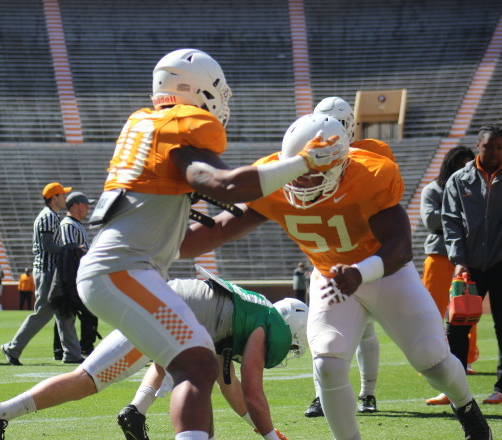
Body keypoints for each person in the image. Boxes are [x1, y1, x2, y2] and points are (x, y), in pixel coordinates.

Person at [72, 48, 345, 440]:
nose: (223, 101)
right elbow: (226, 184)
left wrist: (264, 206)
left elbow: (199, 236)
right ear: (195, 90)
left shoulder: (152, 129)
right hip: (121, 270)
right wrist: (301, 164)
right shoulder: (179, 131)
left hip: (123, 269)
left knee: (196, 363)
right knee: (198, 365)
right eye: (218, 90)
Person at [178, 113, 492, 440]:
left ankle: (467, 409)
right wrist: (157, 240)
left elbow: (400, 247)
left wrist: (360, 271)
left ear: (338, 165)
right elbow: (211, 234)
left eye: (309, 173)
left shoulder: (369, 175)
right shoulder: (273, 181)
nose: (299, 182)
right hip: (331, 277)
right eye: (295, 169)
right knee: (327, 362)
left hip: (385, 275)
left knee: (432, 358)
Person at [0, 274, 309, 440]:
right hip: (165, 315)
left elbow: (228, 384)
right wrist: (268, 436)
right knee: (90, 381)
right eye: (294, 345)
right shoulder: (265, 326)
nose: (288, 351)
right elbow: (251, 392)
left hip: (162, 302)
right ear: (290, 329)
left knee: (88, 378)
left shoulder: (249, 312)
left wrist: (263, 431)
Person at [304, 97, 382, 418]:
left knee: (364, 330)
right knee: (320, 328)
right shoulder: (307, 155)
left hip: (361, 250)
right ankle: (323, 395)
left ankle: (368, 393)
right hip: (327, 250)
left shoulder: (372, 155)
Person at [443, 125, 502, 405]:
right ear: (478, 145)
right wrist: (459, 260)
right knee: (456, 326)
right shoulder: (459, 180)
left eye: (500, 148)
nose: (494, 153)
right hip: (469, 266)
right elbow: (451, 221)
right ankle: (456, 387)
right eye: (489, 146)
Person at [0, 182, 83, 366]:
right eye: (62, 195)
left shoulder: (50, 216)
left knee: (64, 310)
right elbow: (48, 246)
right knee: (44, 311)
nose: (65, 198)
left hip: (49, 270)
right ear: (54, 198)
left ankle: (72, 353)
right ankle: (13, 347)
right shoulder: (49, 217)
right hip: (47, 271)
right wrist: (70, 250)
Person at [421, 145, 477, 406]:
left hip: (466, 258)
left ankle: (465, 361)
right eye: (462, 164)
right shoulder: (434, 189)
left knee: (466, 312)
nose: (466, 169)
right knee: (432, 311)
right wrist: (457, 214)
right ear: (451, 165)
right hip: (440, 258)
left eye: (469, 164)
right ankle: (432, 360)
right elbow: (429, 221)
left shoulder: (473, 188)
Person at [52, 191, 98, 359]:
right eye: (85, 205)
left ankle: (61, 349)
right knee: (78, 311)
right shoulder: (68, 225)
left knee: (67, 312)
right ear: (76, 205)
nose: (88, 208)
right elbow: (71, 249)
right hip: (72, 275)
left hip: (77, 274)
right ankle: (84, 346)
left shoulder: (75, 224)